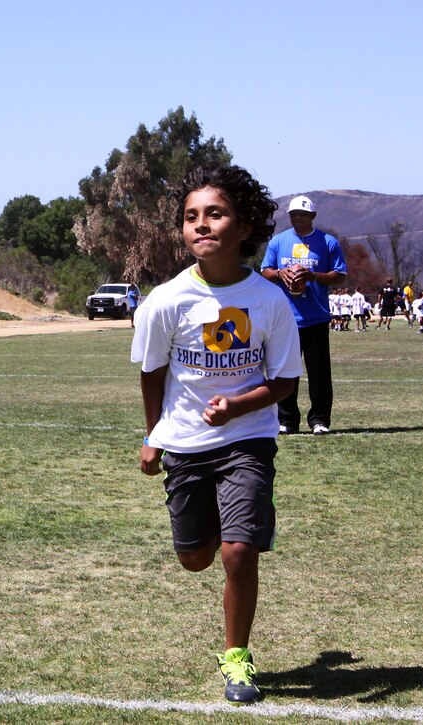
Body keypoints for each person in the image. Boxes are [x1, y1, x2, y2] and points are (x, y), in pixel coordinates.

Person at [133, 165, 301, 705]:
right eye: (191, 217)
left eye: (215, 213)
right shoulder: (165, 300)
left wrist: (237, 407)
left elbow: (283, 382)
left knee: (237, 554)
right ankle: (212, 536)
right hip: (185, 444)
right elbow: (152, 371)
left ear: (245, 225)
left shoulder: (270, 301)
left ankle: (237, 659)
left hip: (248, 439)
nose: (201, 225)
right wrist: (153, 434)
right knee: (196, 558)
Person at [261, 195, 347, 435]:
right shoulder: (278, 242)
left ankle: (319, 420)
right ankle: (287, 420)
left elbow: (340, 275)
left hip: (316, 317)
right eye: (294, 214)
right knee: (285, 371)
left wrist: (314, 276)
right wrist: (281, 273)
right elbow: (265, 271)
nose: (298, 218)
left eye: (303, 214)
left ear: (313, 216)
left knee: (319, 373)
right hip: (285, 318)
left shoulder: (328, 242)